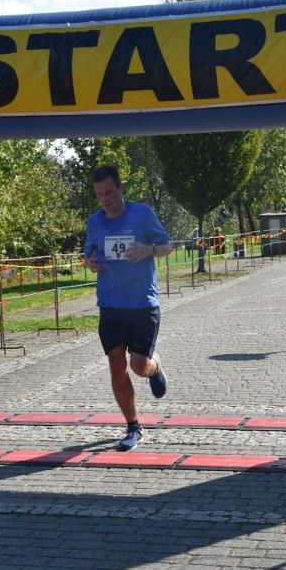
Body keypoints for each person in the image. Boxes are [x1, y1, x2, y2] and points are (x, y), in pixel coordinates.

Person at [84, 166, 173, 451]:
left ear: (121, 188)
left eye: (109, 192)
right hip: (110, 303)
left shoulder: (142, 214)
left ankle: (154, 367)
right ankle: (133, 426)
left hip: (142, 303)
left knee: (138, 366)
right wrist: (90, 263)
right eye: (99, 194)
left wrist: (149, 249)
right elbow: (88, 256)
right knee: (115, 363)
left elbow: (168, 245)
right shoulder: (94, 222)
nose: (105, 199)